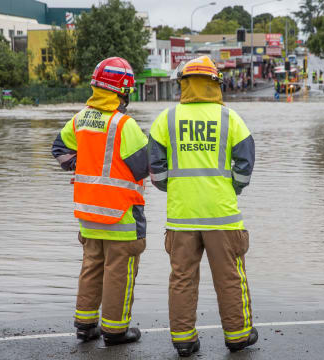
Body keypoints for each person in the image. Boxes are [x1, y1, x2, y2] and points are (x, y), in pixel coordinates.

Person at [147, 56, 257, 357]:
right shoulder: (230, 118)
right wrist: (231, 187)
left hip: (181, 217)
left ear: (183, 84)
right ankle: (237, 336)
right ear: (215, 84)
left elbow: (155, 170)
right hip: (222, 215)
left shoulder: (166, 119)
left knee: (182, 278)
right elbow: (246, 165)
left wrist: (176, 188)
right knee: (230, 278)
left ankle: (184, 340)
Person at [51, 57, 149, 347]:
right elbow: (143, 166)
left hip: (88, 213)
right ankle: (116, 331)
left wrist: (83, 165)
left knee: (91, 267)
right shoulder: (124, 124)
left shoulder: (80, 118)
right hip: (121, 215)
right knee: (119, 271)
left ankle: (85, 326)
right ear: (122, 92)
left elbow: (60, 150)